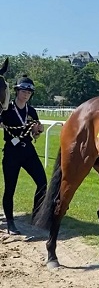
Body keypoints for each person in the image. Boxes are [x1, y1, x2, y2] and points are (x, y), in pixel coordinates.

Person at [0, 75, 47, 235]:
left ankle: (37, 215)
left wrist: (38, 131)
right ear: (17, 91)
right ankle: (10, 223)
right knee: (10, 188)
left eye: (29, 92)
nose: (26, 94)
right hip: (12, 153)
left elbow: (35, 134)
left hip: (28, 151)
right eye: (24, 90)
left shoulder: (31, 111)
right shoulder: (6, 109)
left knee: (42, 182)